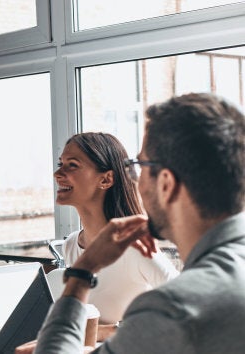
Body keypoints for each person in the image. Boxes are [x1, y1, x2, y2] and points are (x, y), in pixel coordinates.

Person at [33, 93, 245, 354]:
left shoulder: (174, 308)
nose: (133, 179)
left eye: (139, 165)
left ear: (166, 184)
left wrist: (82, 272)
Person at [54, 132, 178, 335]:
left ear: (106, 179)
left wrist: (104, 331)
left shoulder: (134, 247)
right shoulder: (72, 244)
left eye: (73, 165)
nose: (58, 174)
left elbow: (188, 307)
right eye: (61, 164)